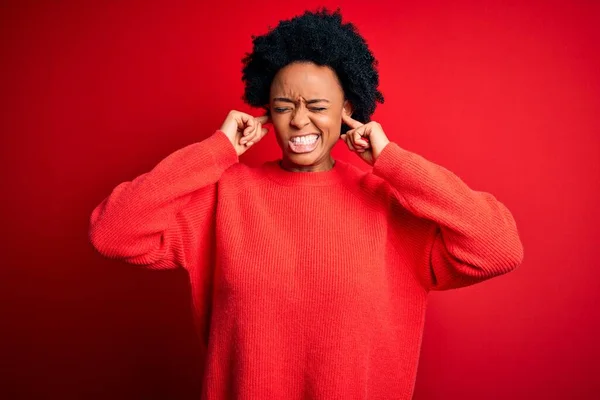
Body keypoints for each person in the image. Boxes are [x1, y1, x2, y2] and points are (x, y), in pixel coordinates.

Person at [89, 8, 524, 399]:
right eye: (283, 106)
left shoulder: (388, 203)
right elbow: (112, 232)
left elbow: (498, 248)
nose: (299, 120)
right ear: (266, 112)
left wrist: (393, 162)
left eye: (317, 106)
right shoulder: (225, 197)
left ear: (347, 110)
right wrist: (218, 149)